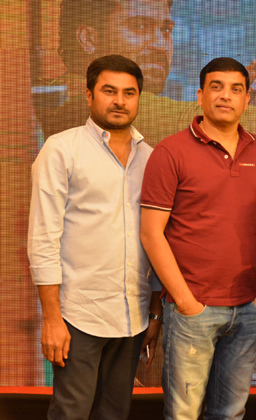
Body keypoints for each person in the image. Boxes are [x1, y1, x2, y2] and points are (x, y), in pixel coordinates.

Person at [139, 57, 256, 420]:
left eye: (236, 89)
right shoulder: (170, 152)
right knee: (183, 415)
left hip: (247, 306)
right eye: (216, 87)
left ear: (247, 99)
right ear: (200, 96)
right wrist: (185, 301)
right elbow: (151, 233)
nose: (225, 96)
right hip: (192, 309)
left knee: (230, 413)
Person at [27, 54, 161, 420]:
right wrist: (52, 318)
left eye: (129, 93)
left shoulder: (151, 158)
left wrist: (153, 309)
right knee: (71, 413)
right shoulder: (61, 149)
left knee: (114, 413)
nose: (119, 101)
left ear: (138, 98)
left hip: (133, 316)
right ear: (89, 95)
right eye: (109, 91)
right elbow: (43, 238)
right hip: (78, 314)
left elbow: (154, 239)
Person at [36, 0, 256, 149]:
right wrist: (241, 117)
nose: (160, 44)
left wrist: (240, 114)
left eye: (166, 30)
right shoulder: (82, 102)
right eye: (140, 26)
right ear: (88, 39)